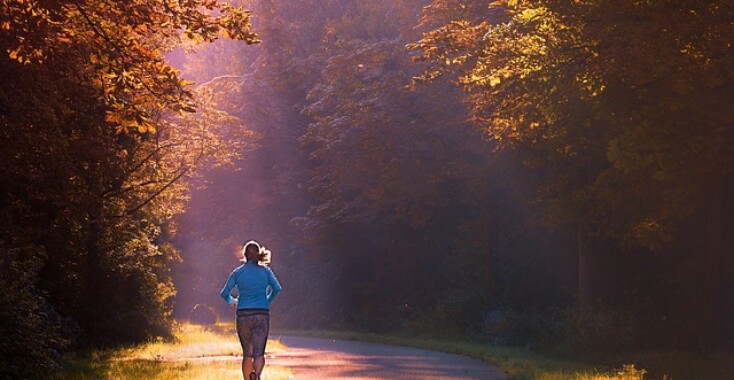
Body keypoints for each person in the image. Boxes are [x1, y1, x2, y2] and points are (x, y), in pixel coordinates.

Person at [221, 240, 282, 380]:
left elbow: (224, 293)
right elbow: (277, 289)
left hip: (243, 314)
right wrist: (267, 300)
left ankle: (248, 379)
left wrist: (233, 301)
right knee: (259, 352)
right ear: (259, 254)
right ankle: (257, 376)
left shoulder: (237, 273)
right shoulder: (266, 271)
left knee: (247, 353)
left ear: (244, 255)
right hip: (261, 313)